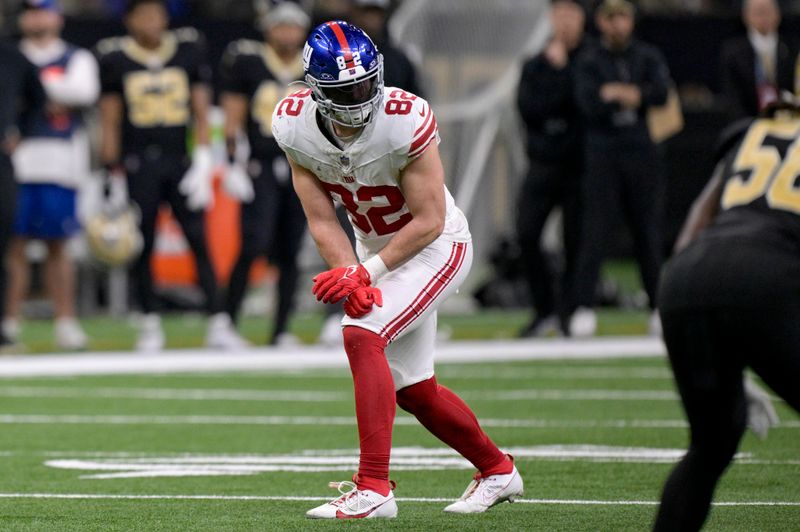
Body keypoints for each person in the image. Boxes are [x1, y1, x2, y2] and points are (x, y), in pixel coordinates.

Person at [273, 21, 523, 519]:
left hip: (436, 245)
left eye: (367, 82)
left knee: (361, 333)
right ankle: (498, 471)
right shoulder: (293, 123)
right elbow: (322, 218)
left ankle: (373, 488)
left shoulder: (404, 118)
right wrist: (351, 272)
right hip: (376, 250)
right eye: (346, 90)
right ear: (317, 92)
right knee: (415, 391)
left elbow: (429, 220)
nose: (361, 96)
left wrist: (367, 273)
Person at [652, 96, 800, 531]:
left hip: (687, 279)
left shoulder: (754, 131)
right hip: (767, 279)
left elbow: (696, 223)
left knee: (712, 445)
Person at [95, 0, 239, 351]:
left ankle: (219, 319)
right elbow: (110, 118)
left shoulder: (187, 48)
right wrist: (110, 171)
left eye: (156, 14)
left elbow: (201, 108)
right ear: (129, 20)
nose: (151, 21)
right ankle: (149, 321)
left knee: (197, 237)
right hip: (138, 161)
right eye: (143, 15)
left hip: (180, 160)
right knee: (140, 242)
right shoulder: (115, 56)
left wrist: (204, 157)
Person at [568, 0, 670, 337]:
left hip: (641, 153)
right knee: (594, 231)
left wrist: (621, 92)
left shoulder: (648, 56)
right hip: (603, 155)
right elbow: (588, 103)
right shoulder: (589, 59)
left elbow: (660, 94)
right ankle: (583, 306)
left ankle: (657, 305)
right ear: (600, 21)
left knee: (647, 231)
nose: (618, 25)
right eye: (611, 18)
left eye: (623, 16)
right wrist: (629, 95)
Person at [3, 0, 98, 351]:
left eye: (43, 10)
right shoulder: (11, 54)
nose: (37, 18)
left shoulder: (76, 57)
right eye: (30, 11)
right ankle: (9, 321)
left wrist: (32, 91)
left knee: (59, 245)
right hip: (18, 160)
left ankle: (66, 321)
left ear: (57, 16)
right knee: (14, 247)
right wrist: (45, 92)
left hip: (60, 160)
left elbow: (84, 91)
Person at [219, 2, 310, 346]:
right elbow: (233, 112)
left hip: (301, 166)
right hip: (260, 163)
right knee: (254, 243)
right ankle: (227, 321)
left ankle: (281, 328)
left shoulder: (313, 65)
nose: (287, 33)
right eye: (280, 26)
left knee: (291, 249)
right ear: (268, 28)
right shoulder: (248, 59)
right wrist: (231, 161)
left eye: (293, 26)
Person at [515, 0, 587, 337]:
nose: (567, 22)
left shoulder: (589, 60)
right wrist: (556, 75)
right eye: (561, 15)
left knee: (577, 240)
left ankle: (568, 312)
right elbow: (529, 108)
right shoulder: (535, 63)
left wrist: (561, 75)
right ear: (551, 18)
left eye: (573, 15)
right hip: (543, 163)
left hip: (580, 167)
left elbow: (585, 105)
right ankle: (543, 308)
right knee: (526, 233)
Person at [0, 39, 47, 349]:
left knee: (1, 245)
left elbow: (38, 98)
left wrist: (22, 132)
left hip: (0, 161)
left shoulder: (11, 57)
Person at [720, 0, 796, 122]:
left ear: (778, 14)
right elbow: (732, 98)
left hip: (787, 122)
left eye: (767, 11)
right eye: (758, 12)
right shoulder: (733, 52)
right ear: (746, 16)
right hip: (748, 123)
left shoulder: (792, 49)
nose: (763, 17)